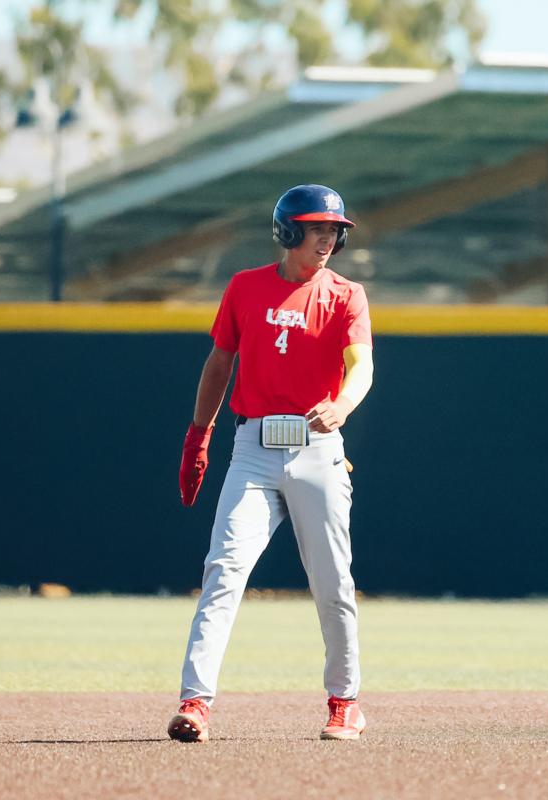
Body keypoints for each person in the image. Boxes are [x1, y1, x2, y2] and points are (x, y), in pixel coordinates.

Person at [169, 184, 375, 743]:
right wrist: (198, 436)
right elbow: (219, 363)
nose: (327, 239)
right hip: (254, 449)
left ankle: (345, 702)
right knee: (223, 569)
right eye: (316, 228)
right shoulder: (245, 287)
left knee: (332, 581)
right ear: (288, 231)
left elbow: (361, 366)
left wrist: (343, 404)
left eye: (334, 230)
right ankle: (195, 702)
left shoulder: (346, 294)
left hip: (317, 448)